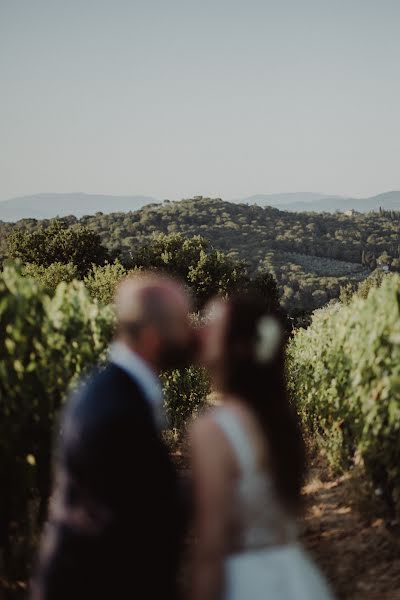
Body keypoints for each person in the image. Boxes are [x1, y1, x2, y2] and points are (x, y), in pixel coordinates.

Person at [31, 273, 194, 600]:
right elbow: (135, 525)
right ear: (152, 337)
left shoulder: (117, 389)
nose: (190, 333)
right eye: (181, 323)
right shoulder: (115, 410)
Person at [190, 294, 334, 600]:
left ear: (237, 348)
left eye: (211, 326)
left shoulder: (213, 430)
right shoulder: (278, 421)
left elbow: (211, 546)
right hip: (297, 577)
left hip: (247, 583)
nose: (200, 332)